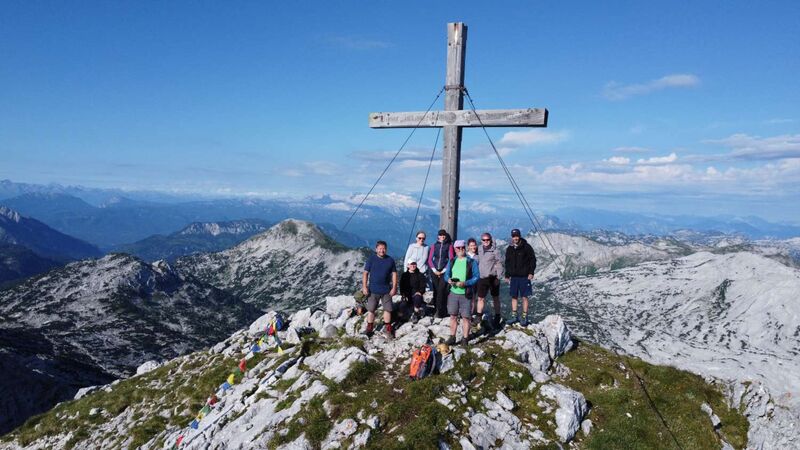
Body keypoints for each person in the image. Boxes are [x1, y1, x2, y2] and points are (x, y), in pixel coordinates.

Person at [444, 240, 479, 346]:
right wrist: (448, 280)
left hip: (466, 293)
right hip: (453, 293)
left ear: (465, 248)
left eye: (462, 247)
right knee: (453, 316)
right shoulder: (452, 261)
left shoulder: (471, 262)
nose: (460, 250)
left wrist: (465, 283)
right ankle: (452, 337)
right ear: (455, 250)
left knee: (466, 317)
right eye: (458, 248)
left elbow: (477, 277)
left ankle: (465, 338)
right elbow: (446, 275)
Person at [362, 240, 398, 338]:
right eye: (380, 249)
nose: (382, 251)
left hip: (386, 290)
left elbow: (394, 274)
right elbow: (365, 273)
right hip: (373, 290)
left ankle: (388, 329)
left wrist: (394, 287)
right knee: (371, 310)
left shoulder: (390, 260)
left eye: (384, 249)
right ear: (376, 249)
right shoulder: (371, 259)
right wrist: (364, 287)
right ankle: (369, 328)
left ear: (386, 249)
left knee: (388, 310)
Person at [504, 228, 536, 326]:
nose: (515, 238)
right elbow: (507, 263)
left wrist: (531, 272)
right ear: (512, 237)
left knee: (524, 296)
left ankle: (524, 316)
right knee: (514, 296)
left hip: (524, 276)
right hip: (514, 277)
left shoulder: (526, 247)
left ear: (519, 236)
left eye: (517, 236)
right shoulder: (509, 248)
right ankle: (514, 316)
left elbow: (533, 260)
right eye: (514, 236)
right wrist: (507, 275)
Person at [475, 232, 504, 330]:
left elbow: (499, 264)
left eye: (487, 240)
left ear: (490, 240)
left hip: (492, 277)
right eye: (484, 240)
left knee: (495, 298)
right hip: (482, 277)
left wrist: (498, 277)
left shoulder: (495, 251)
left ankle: (497, 315)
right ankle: (479, 316)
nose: (486, 241)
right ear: (481, 240)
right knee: (480, 298)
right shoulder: (479, 249)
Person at [428, 229, 454, 319]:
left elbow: (451, 259)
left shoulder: (449, 246)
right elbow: (430, 259)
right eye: (441, 235)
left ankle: (441, 310)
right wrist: (434, 270)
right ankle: (436, 309)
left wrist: (444, 270)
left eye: (444, 235)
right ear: (438, 236)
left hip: (444, 271)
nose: (442, 236)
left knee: (441, 290)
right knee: (436, 290)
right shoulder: (434, 246)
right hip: (434, 270)